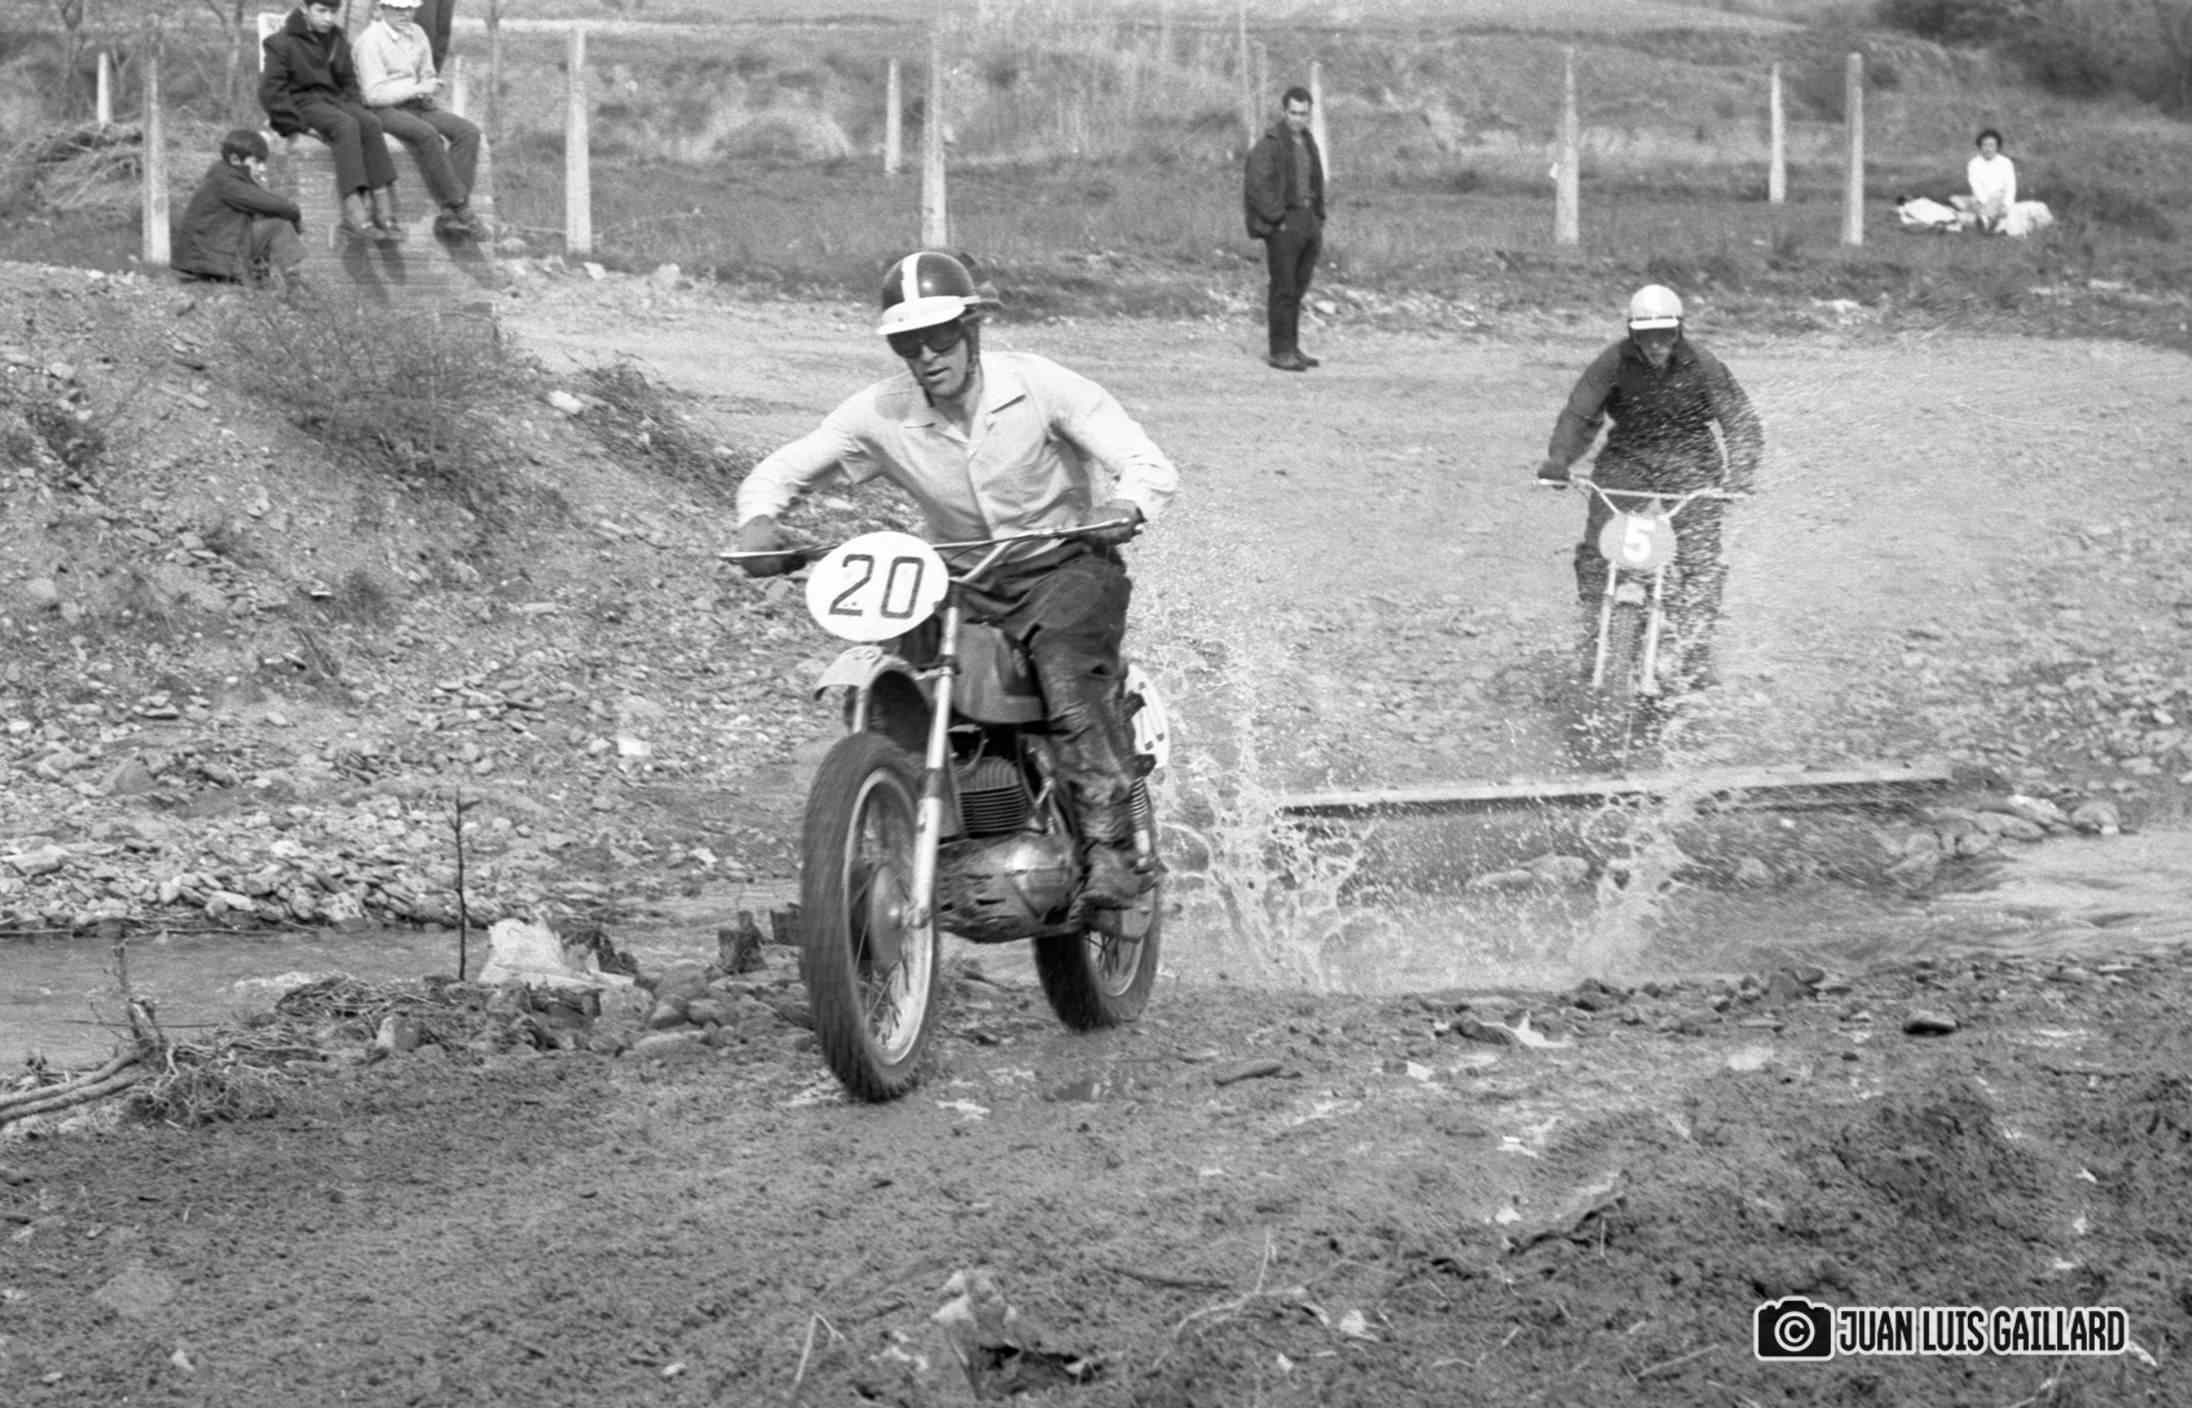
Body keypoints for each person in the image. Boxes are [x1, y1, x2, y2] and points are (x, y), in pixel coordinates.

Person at [732, 251, 1180, 908]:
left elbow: (1144, 461)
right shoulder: (878, 413)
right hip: (959, 578)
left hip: (1064, 565)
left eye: (939, 337)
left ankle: (1112, 849)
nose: (926, 356)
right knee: (897, 678)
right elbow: (782, 471)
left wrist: (1125, 505)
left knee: (1065, 672)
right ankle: (899, 824)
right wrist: (758, 523)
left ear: (971, 329)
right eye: (907, 344)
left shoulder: (1039, 385)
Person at [1534, 284, 1763, 693]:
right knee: (1600, 547)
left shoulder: (1703, 363)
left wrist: (1741, 471)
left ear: (1679, 331)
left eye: (1665, 335)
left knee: (1699, 557)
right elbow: (1580, 413)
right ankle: (1593, 635)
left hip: (1691, 457)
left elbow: (1739, 418)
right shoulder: (1613, 362)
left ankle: (1695, 652)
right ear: (1632, 333)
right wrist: (1559, 460)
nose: (1656, 344)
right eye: (1646, 335)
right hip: (1629, 455)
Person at [259, 0, 404, 246]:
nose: (328, 18)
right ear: (305, 9)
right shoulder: (281, 42)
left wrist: (354, 106)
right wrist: (296, 125)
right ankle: (354, 214)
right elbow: (271, 91)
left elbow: (348, 81)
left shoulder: (336, 39)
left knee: (369, 122)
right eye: (321, 11)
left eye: (333, 12)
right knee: (345, 126)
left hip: (334, 100)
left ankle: (384, 212)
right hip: (303, 102)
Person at [356, 0, 487, 241]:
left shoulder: (418, 34)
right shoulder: (370, 40)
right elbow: (373, 94)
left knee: (468, 132)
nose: (405, 13)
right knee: (427, 134)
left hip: (416, 104)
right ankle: (461, 206)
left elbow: (427, 71)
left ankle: (449, 215)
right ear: (382, 9)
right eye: (398, 8)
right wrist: (416, 89)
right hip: (383, 109)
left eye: (410, 8)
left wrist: (429, 85)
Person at [1241, 85, 1326, 373]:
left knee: (1297, 288)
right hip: (1285, 223)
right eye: (1293, 113)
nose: (1298, 118)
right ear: (1284, 112)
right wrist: (1277, 218)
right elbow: (1257, 185)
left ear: (1309, 114)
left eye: (1303, 113)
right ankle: (1280, 352)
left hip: (1308, 220)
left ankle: (1292, 347)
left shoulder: (1308, 141)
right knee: (1283, 289)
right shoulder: (1270, 144)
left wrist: (1318, 218)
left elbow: (1316, 181)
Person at [172, 128, 309, 291]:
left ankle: (265, 277)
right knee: (278, 225)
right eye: (256, 162)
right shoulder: (227, 183)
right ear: (235, 159)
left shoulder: (224, 175)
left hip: (211, 252)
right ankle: (292, 282)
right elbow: (278, 206)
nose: (261, 168)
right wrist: (296, 218)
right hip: (210, 257)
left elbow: (266, 204)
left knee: (268, 221)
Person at [1966, 128, 2016, 234]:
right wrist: (1986, 204)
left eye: (1991, 145)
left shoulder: (2006, 163)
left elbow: (2011, 187)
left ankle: (1989, 222)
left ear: (1997, 147)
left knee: (2006, 211)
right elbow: (1976, 187)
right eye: (1985, 145)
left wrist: (2006, 205)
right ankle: (1987, 222)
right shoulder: (1974, 164)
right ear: (1980, 147)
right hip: (1982, 201)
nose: (1988, 149)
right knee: (1973, 204)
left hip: (2000, 198)